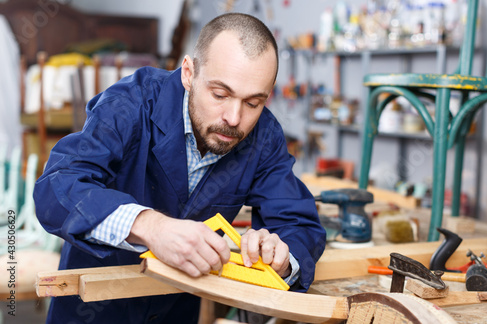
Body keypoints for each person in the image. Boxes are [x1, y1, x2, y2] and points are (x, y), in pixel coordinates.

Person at [34, 13, 326, 324]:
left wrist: (282, 256)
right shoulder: (130, 103)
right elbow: (57, 188)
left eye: (253, 102)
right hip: (92, 309)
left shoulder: (263, 136)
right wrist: (151, 227)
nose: (234, 118)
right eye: (220, 94)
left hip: (174, 311)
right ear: (188, 72)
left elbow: (300, 223)